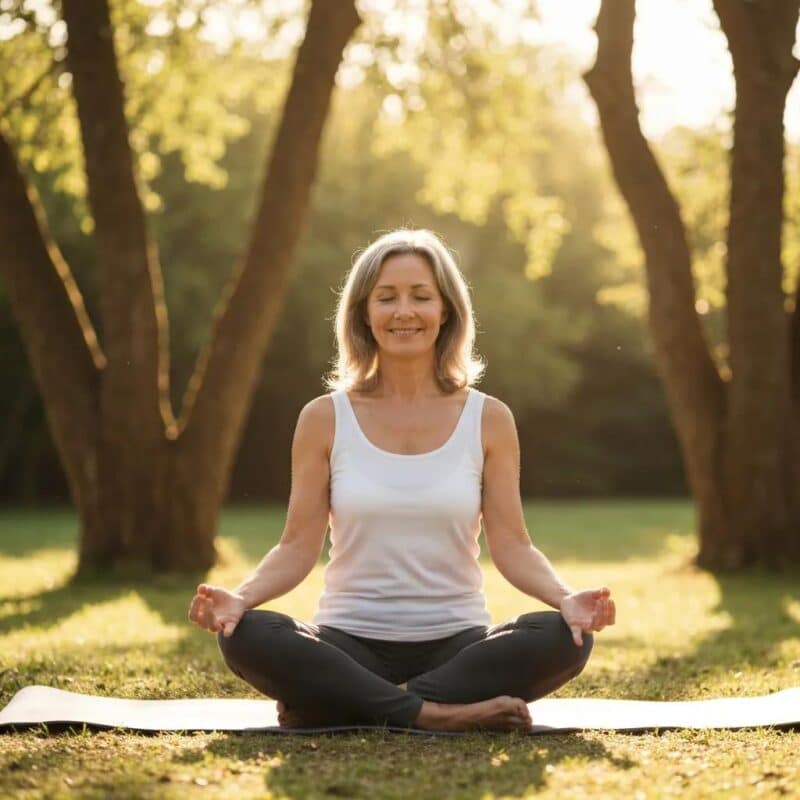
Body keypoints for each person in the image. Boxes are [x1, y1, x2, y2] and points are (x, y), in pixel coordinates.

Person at [188, 228, 616, 732]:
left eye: (421, 296)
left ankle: (345, 703)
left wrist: (565, 599)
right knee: (246, 635)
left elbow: (513, 545)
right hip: (347, 641)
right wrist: (241, 598)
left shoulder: (489, 418)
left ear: (447, 312)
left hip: (458, 647)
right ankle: (433, 714)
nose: (404, 312)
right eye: (386, 298)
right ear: (364, 315)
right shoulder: (324, 418)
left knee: (564, 638)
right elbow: (297, 546)